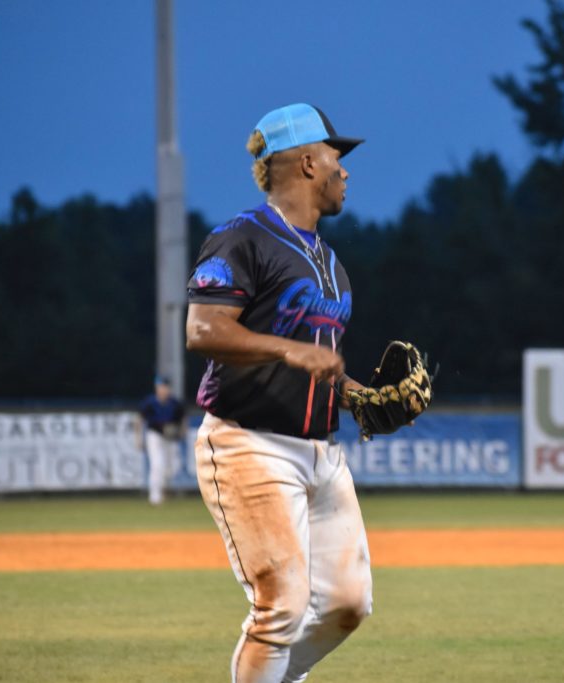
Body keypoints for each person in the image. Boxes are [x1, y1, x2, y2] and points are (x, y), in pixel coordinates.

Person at [185, 103, 372, 683]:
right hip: (249, 445)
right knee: (281, 608)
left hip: (321, 452)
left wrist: (363, 399)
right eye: (338, 158)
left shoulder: (331, 265)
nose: (346, 171)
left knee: (347, 605)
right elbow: (204, 330)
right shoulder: (242, 237)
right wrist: (286, 349)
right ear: (308, 163)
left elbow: (317, 366)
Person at [137, 375, 185, 505]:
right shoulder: (150, 402)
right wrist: (138, 438)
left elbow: (182, 419)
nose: (163, 390)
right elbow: (139, 420)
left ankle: (162, 490)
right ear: (157, 388)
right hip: (154, 435)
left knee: (171, 468)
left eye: (165, 387)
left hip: (169, 437)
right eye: (160, 387)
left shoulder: (175, 403)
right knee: (157, 464)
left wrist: (181, 433)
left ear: (169, 389)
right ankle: (155, 496)